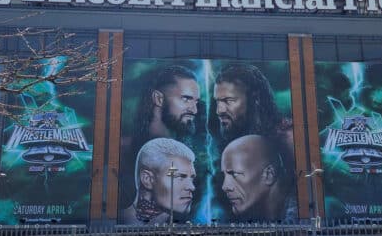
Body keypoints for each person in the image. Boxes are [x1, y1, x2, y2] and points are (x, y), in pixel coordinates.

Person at [121, 65, 200, 208]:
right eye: (186, 99)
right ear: (158, 98)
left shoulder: (188, 156)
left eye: (196, 102)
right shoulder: (123, 151)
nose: (194, 110)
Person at [209, 64, 292, 145]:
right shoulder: (238, 137)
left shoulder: (287, 138)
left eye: (229, 101)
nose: (219, 111)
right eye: (217, 101)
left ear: (256, 99)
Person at [220, 135, 297, 222]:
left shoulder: (301, 215)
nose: (225, 187)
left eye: (234, 174)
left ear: (269, 175)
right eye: (224, 175)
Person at [123, 138, 196, 225]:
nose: (192, 187)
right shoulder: (114, 221)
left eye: (192, 178)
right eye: (180, 177)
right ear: (147, 179)